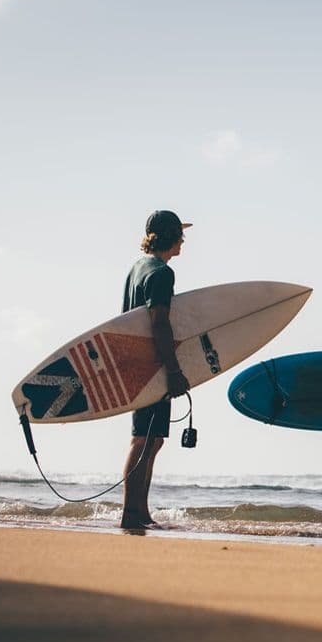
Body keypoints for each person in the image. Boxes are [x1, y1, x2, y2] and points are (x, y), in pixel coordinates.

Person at [119, 210, 192, 530]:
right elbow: (159, 323)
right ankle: (131, 513)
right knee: (144, 440)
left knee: (151, 439)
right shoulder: (161, 274)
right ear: (172, 236)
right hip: (152, 366)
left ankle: (139, 511)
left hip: (137, 362)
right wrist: (173, 370)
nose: (184, 240)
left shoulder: (138, 268)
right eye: (181, 234)